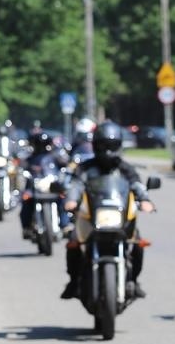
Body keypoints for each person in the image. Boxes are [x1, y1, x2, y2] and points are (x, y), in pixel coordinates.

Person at [60, 121, 154, 299]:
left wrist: (145, 199)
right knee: (73, 242)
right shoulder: (86, 167)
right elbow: (76, 184)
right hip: (92, 216)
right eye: (103, 145)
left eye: (111, 146)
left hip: (119, 216)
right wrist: (71, 200)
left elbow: (136, 184)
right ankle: (73, 281)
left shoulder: (125, 168)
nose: (107, 151)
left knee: (137, 243)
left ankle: (133, 279)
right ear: (95, 146)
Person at [19, 128, 66, 239]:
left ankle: (65, 225)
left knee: (64, 199)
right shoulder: (30, 159)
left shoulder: (55, 157)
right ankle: (27, 227)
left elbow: (65, 165)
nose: (41, 147)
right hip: (34, 188)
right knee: (26, 201)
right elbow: (22, 167)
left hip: (52, 187)